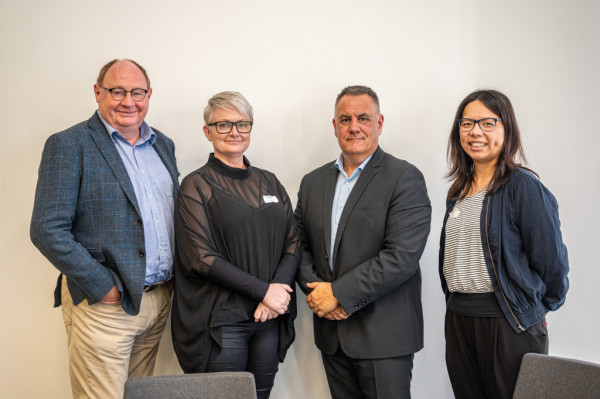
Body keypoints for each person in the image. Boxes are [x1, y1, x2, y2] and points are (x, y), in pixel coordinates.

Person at [30, 59, 179, 398]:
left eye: (137, 92)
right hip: (105, 308)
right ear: (98, 93)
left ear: (149, 94)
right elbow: (46, 228)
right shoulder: (69, 144)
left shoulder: (163, 145)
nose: (129, 101)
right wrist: (102, 286)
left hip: (157, 302)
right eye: (117, 91)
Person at [295, 85, 431, 399]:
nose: (354, 126)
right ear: (334, 126)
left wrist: (338, 295)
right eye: (345, 119)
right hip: (332, 334)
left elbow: (401, 257)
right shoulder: (313, 182)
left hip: (384, 337)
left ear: (379, 123)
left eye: (363, 118)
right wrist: (319, 295)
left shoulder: (404, 178)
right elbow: (298, 244)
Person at [439, 89, 569, 399]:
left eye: (487, 122)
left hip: (508, 323)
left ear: (506, 129)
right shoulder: (459, 190)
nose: (475, 131)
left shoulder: (523, 187)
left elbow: (552, 264)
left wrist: (534, 310)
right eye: (467, 123)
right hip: (460, 319)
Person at [171, 91, 300, 399]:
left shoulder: (270, 181)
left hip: (267, 317)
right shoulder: (196, 185)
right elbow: (200, 258)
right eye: (223, 125)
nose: (234, 132)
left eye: (242, 124)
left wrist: (277, 292)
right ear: (208, 131)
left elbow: (293, 241)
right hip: (222, 323)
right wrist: (264, 291)